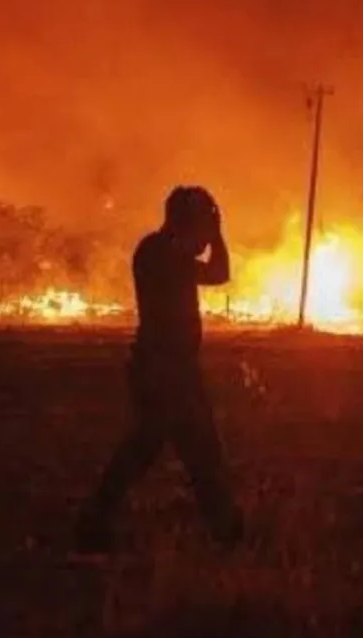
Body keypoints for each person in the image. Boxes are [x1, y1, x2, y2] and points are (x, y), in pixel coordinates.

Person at [74, 185, 244, 554]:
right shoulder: (159, 253)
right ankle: (225, 530)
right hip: (163, 371)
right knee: (179, 450)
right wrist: (216, 234)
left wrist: (213, 232)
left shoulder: (163, 251)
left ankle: (225, 528)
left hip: (174, 369)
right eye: (201, 227)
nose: (204, 239)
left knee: (177, 449)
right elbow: (217, 272)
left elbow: (218, 273)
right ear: (185, 222)